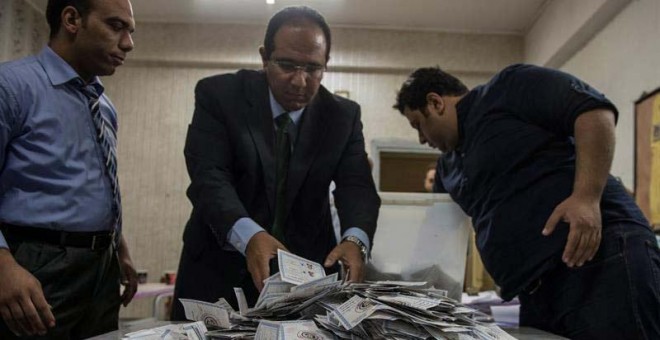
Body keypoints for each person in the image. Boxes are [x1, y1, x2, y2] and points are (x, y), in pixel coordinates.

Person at [394, 65, 660, 339]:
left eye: (418, 125)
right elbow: (437, 234)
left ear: (435, 103)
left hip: (599, 261)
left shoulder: (508, 89)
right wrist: (400, 291)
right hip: (536, 293)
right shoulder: (447, 168)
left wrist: (586, 197)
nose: (422, 139)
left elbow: (594, 112)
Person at [171, 6, 380, 319]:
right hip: (218, 270)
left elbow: (357, 187)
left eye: (313, 68)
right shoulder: (220, 95)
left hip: (303, 280)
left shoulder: (343, 116)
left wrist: (355, 240)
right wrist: (250, 236)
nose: (300, 81)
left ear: (326, 65)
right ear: (263, 57)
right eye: (287, 65)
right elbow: (209, 177)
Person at [0, 0, 137, 338]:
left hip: (102, 268)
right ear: (72, 19)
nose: (128, 43)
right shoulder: (12, 86)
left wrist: (119, 248)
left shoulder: (103, 105)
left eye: (130, 32)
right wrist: (2, 267)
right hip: (35, 264)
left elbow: (93, 182)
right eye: (116, 26)